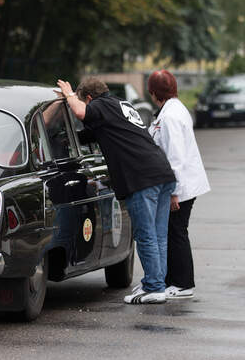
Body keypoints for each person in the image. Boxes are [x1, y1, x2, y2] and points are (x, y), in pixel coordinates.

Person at [56, 77, 176, 304]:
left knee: (145, 234)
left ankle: (154, 286)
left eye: (84, 101)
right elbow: (91, 133)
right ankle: (157, 282)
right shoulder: (121, 105)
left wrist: (69, 95)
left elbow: (82, 113)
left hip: (141, 178)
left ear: (89, 98)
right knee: (159, 235)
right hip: (161, 172)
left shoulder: (100, 105)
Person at [146, 70, 210, 299]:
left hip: (180, 186)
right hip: (182, 183)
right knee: (173, 231)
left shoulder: (170, 116)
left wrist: (174, 192)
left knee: (176, 232)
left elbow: (176, 157)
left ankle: (183, 284)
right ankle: (172, 280)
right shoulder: (173, 109)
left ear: (153, 93)